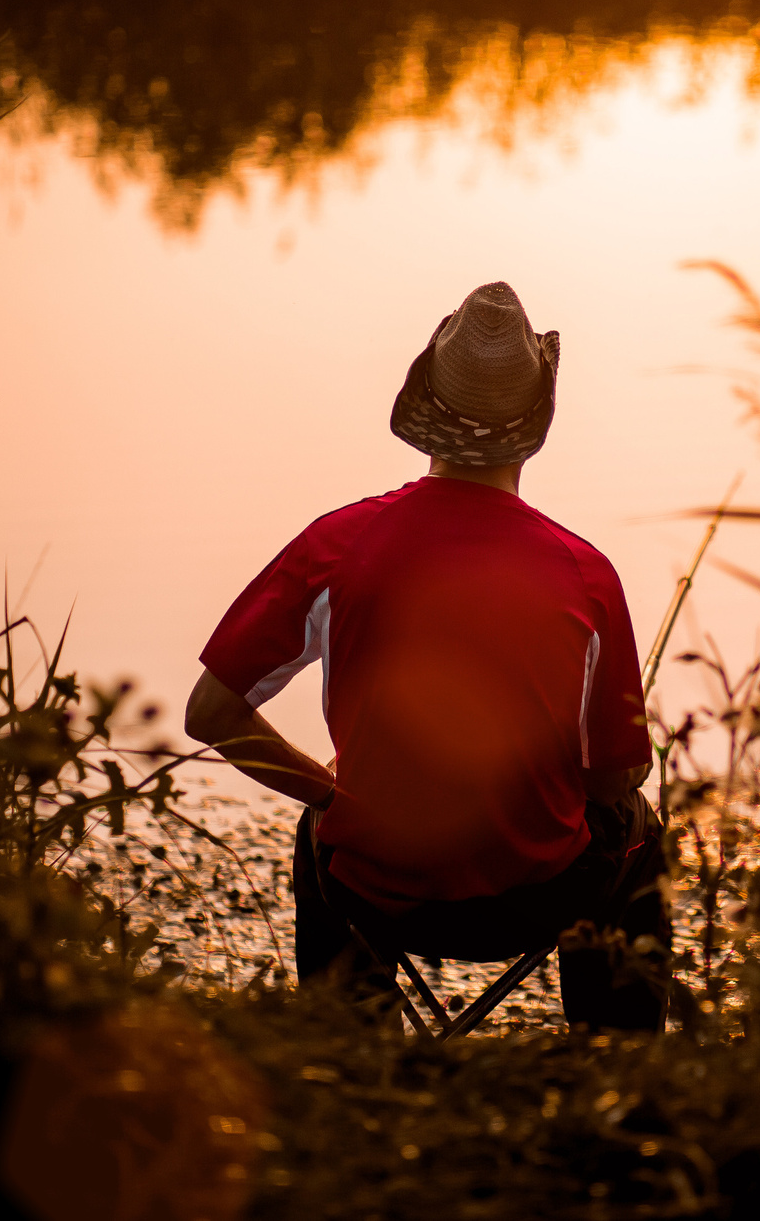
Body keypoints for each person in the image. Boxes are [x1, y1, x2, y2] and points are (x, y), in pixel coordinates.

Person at [183, 281, 668, 1030]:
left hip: (379, 895)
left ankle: (352, 1059)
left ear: (426, 410)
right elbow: (612, 776)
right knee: (638, 826)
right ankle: (621, 1074)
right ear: (538, 421)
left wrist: (330, 795)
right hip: (535, 899)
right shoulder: (585, 572)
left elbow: (211, 711)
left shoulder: (337, 546)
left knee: (316, 835)